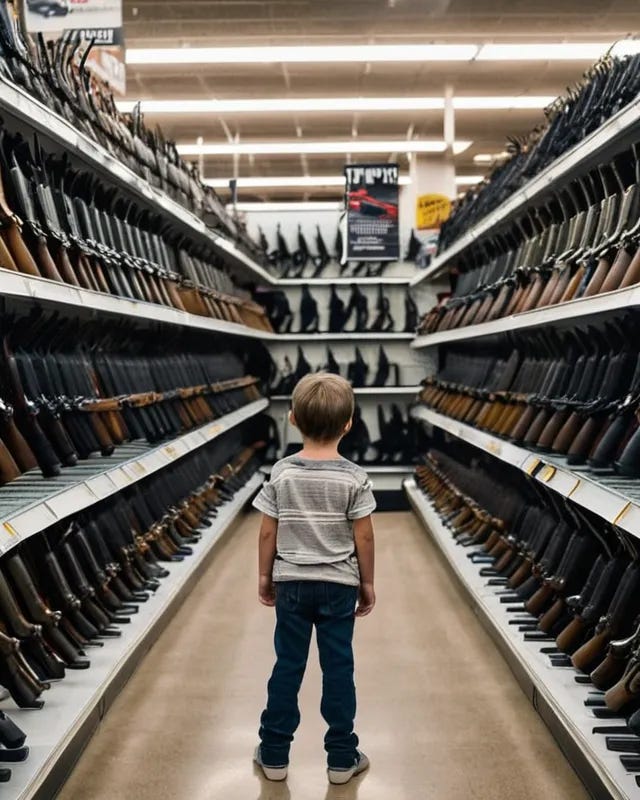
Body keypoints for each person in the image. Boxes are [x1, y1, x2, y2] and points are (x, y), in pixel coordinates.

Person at [252, 372, 376, 785]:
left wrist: (265, 576)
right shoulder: (354, 477)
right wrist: (367, 582)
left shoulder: (282, 473)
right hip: (339, 584)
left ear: (291, 418)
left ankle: (274, 754)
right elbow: (364, 534)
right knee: (338, 668)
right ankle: (342, 757)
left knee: (288, 664)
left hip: (291, 581)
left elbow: (268, 530)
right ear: (348, 424)